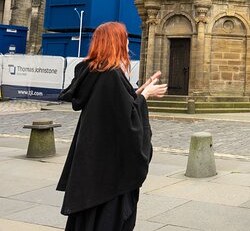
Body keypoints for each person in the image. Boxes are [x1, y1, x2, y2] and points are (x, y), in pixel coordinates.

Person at [56, 22, 167, 230]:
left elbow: (114, 107)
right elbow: (127, 121)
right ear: (115, 43)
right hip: (110, 169)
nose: (127, 45)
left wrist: (138, 92)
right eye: (124, 40)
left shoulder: (94, 72)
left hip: (92, 161)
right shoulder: (112, 75)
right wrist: (144, 96)